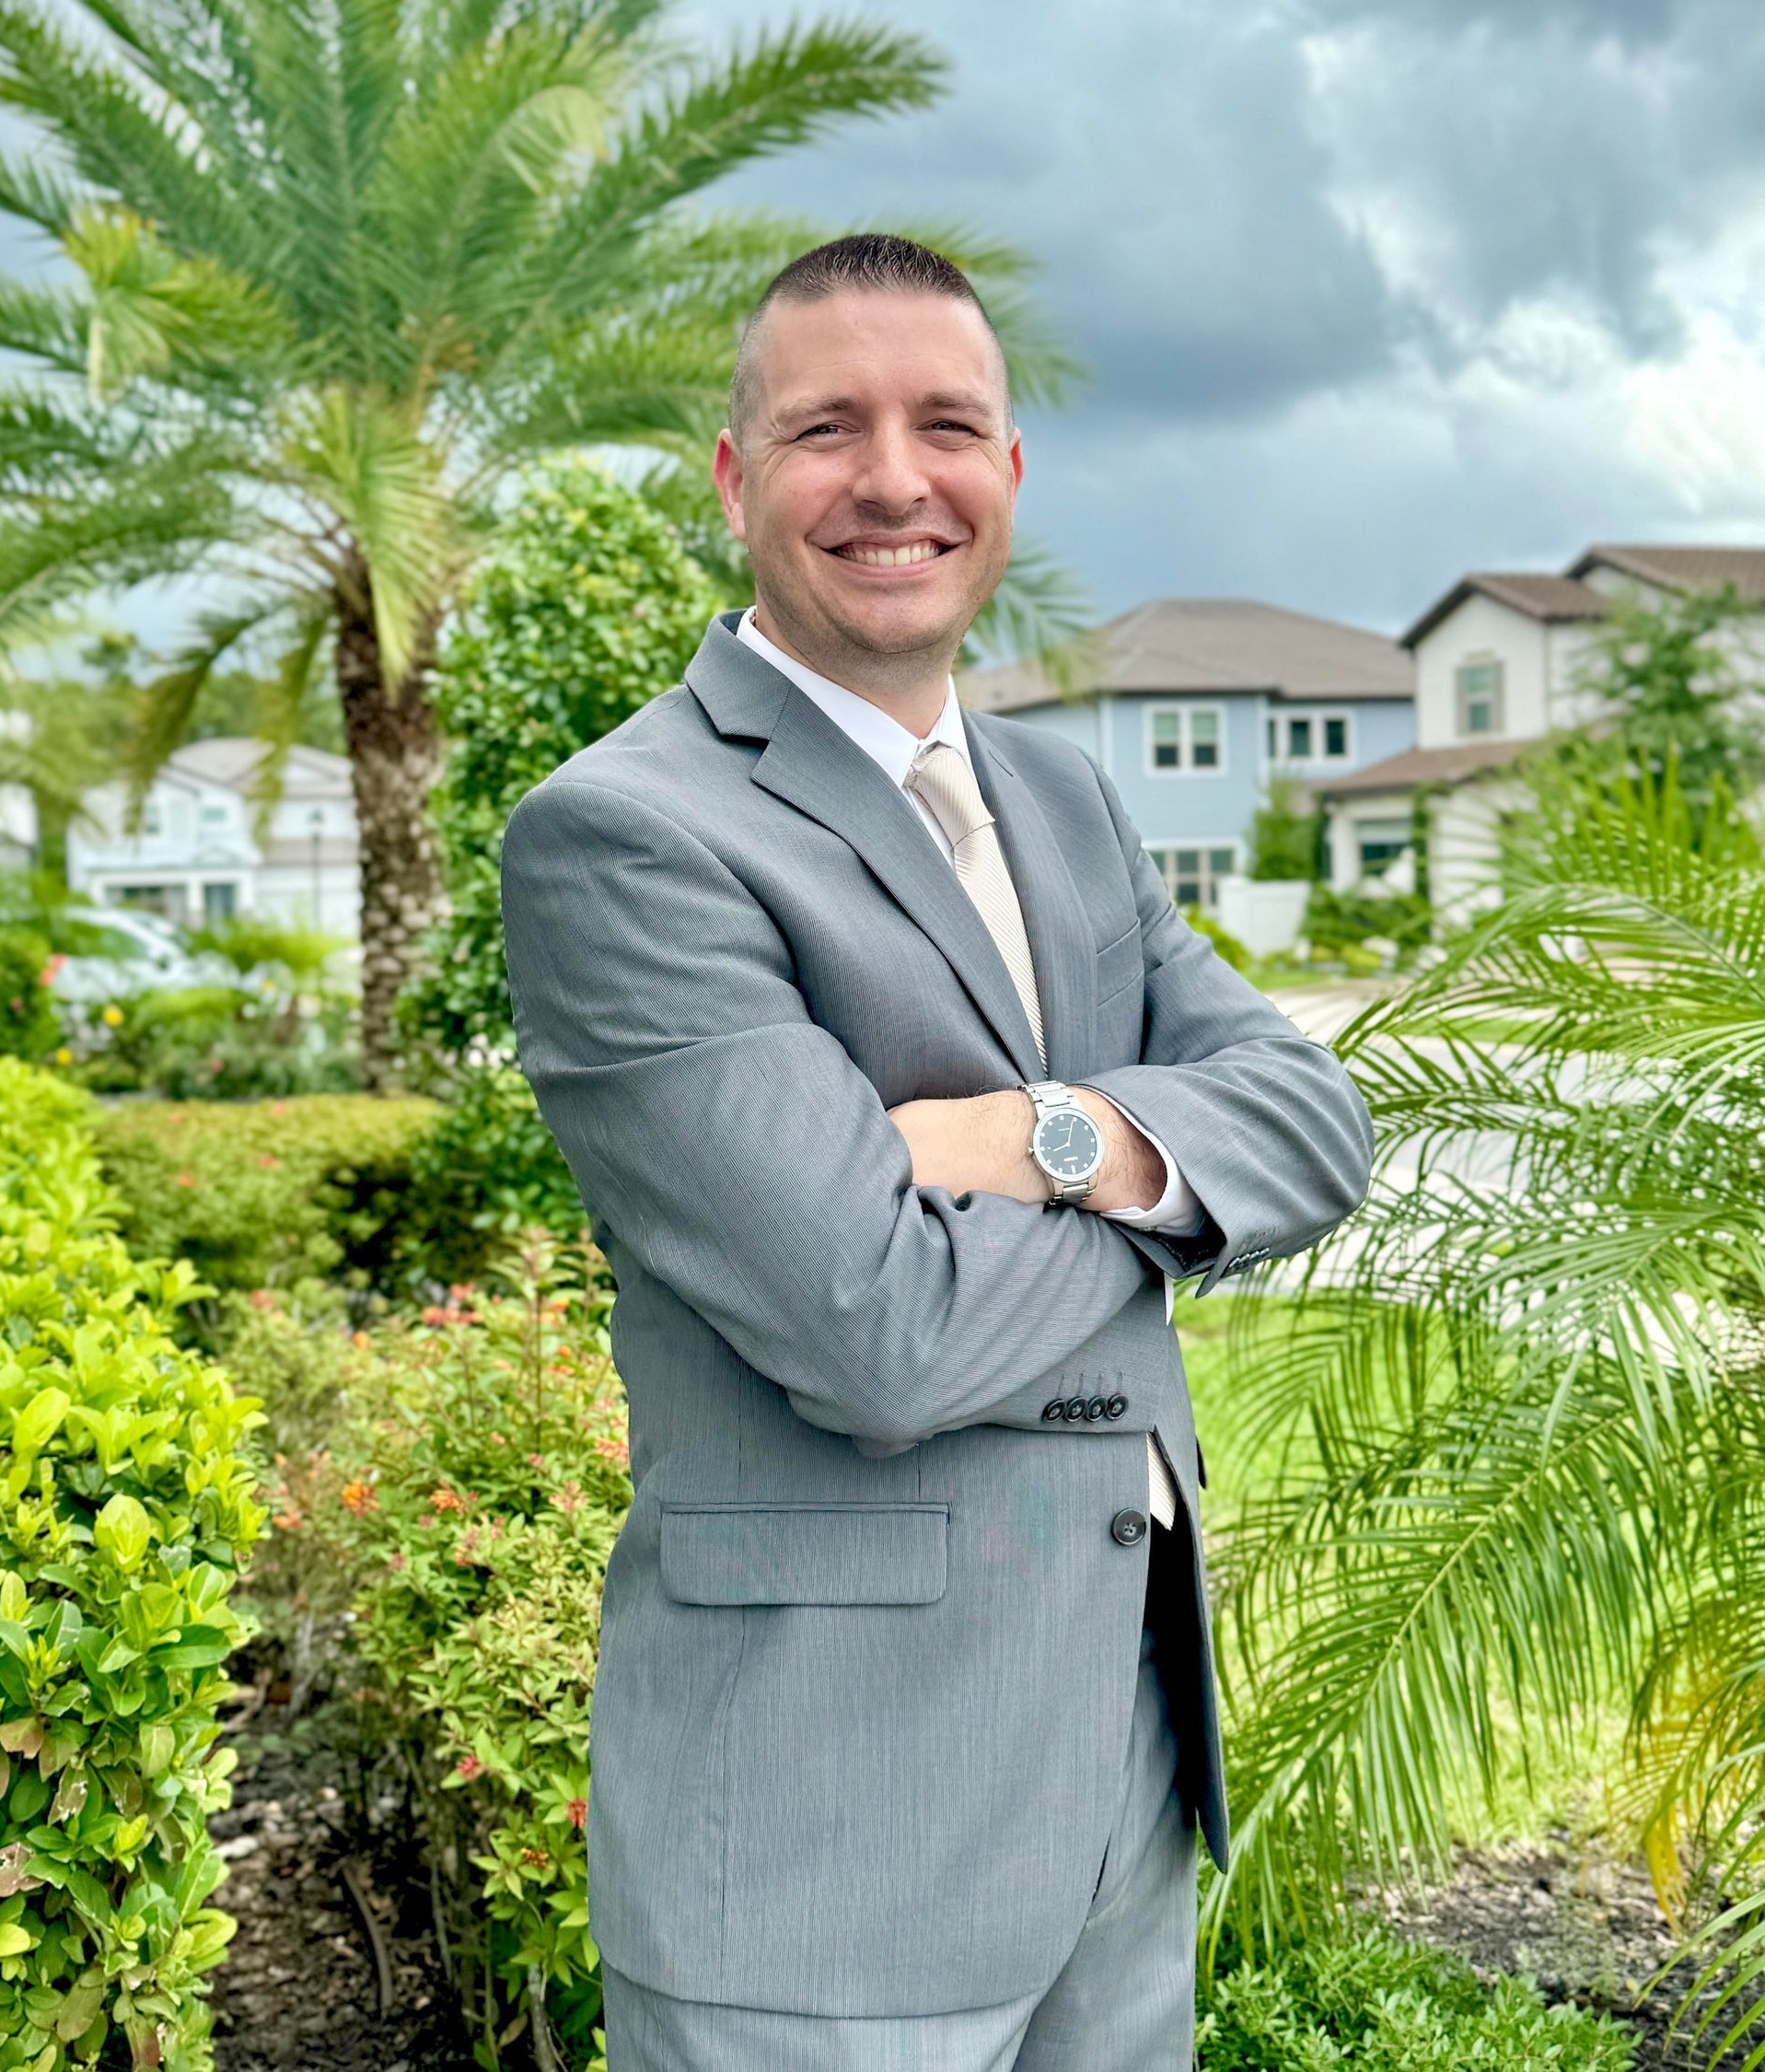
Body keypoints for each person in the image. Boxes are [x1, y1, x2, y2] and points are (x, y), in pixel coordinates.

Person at [500, 234, 1373, 2069]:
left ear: (1008, 474)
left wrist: (1040, 1135)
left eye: (947, 424)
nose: (896, 478)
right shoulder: (626, 835)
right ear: (738, 481)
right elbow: (874, 1329)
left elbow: (1315, 1117)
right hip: (828, 1855)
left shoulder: (1067, 794)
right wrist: (1159, 1166)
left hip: (1117, 1800)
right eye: (828, 427)